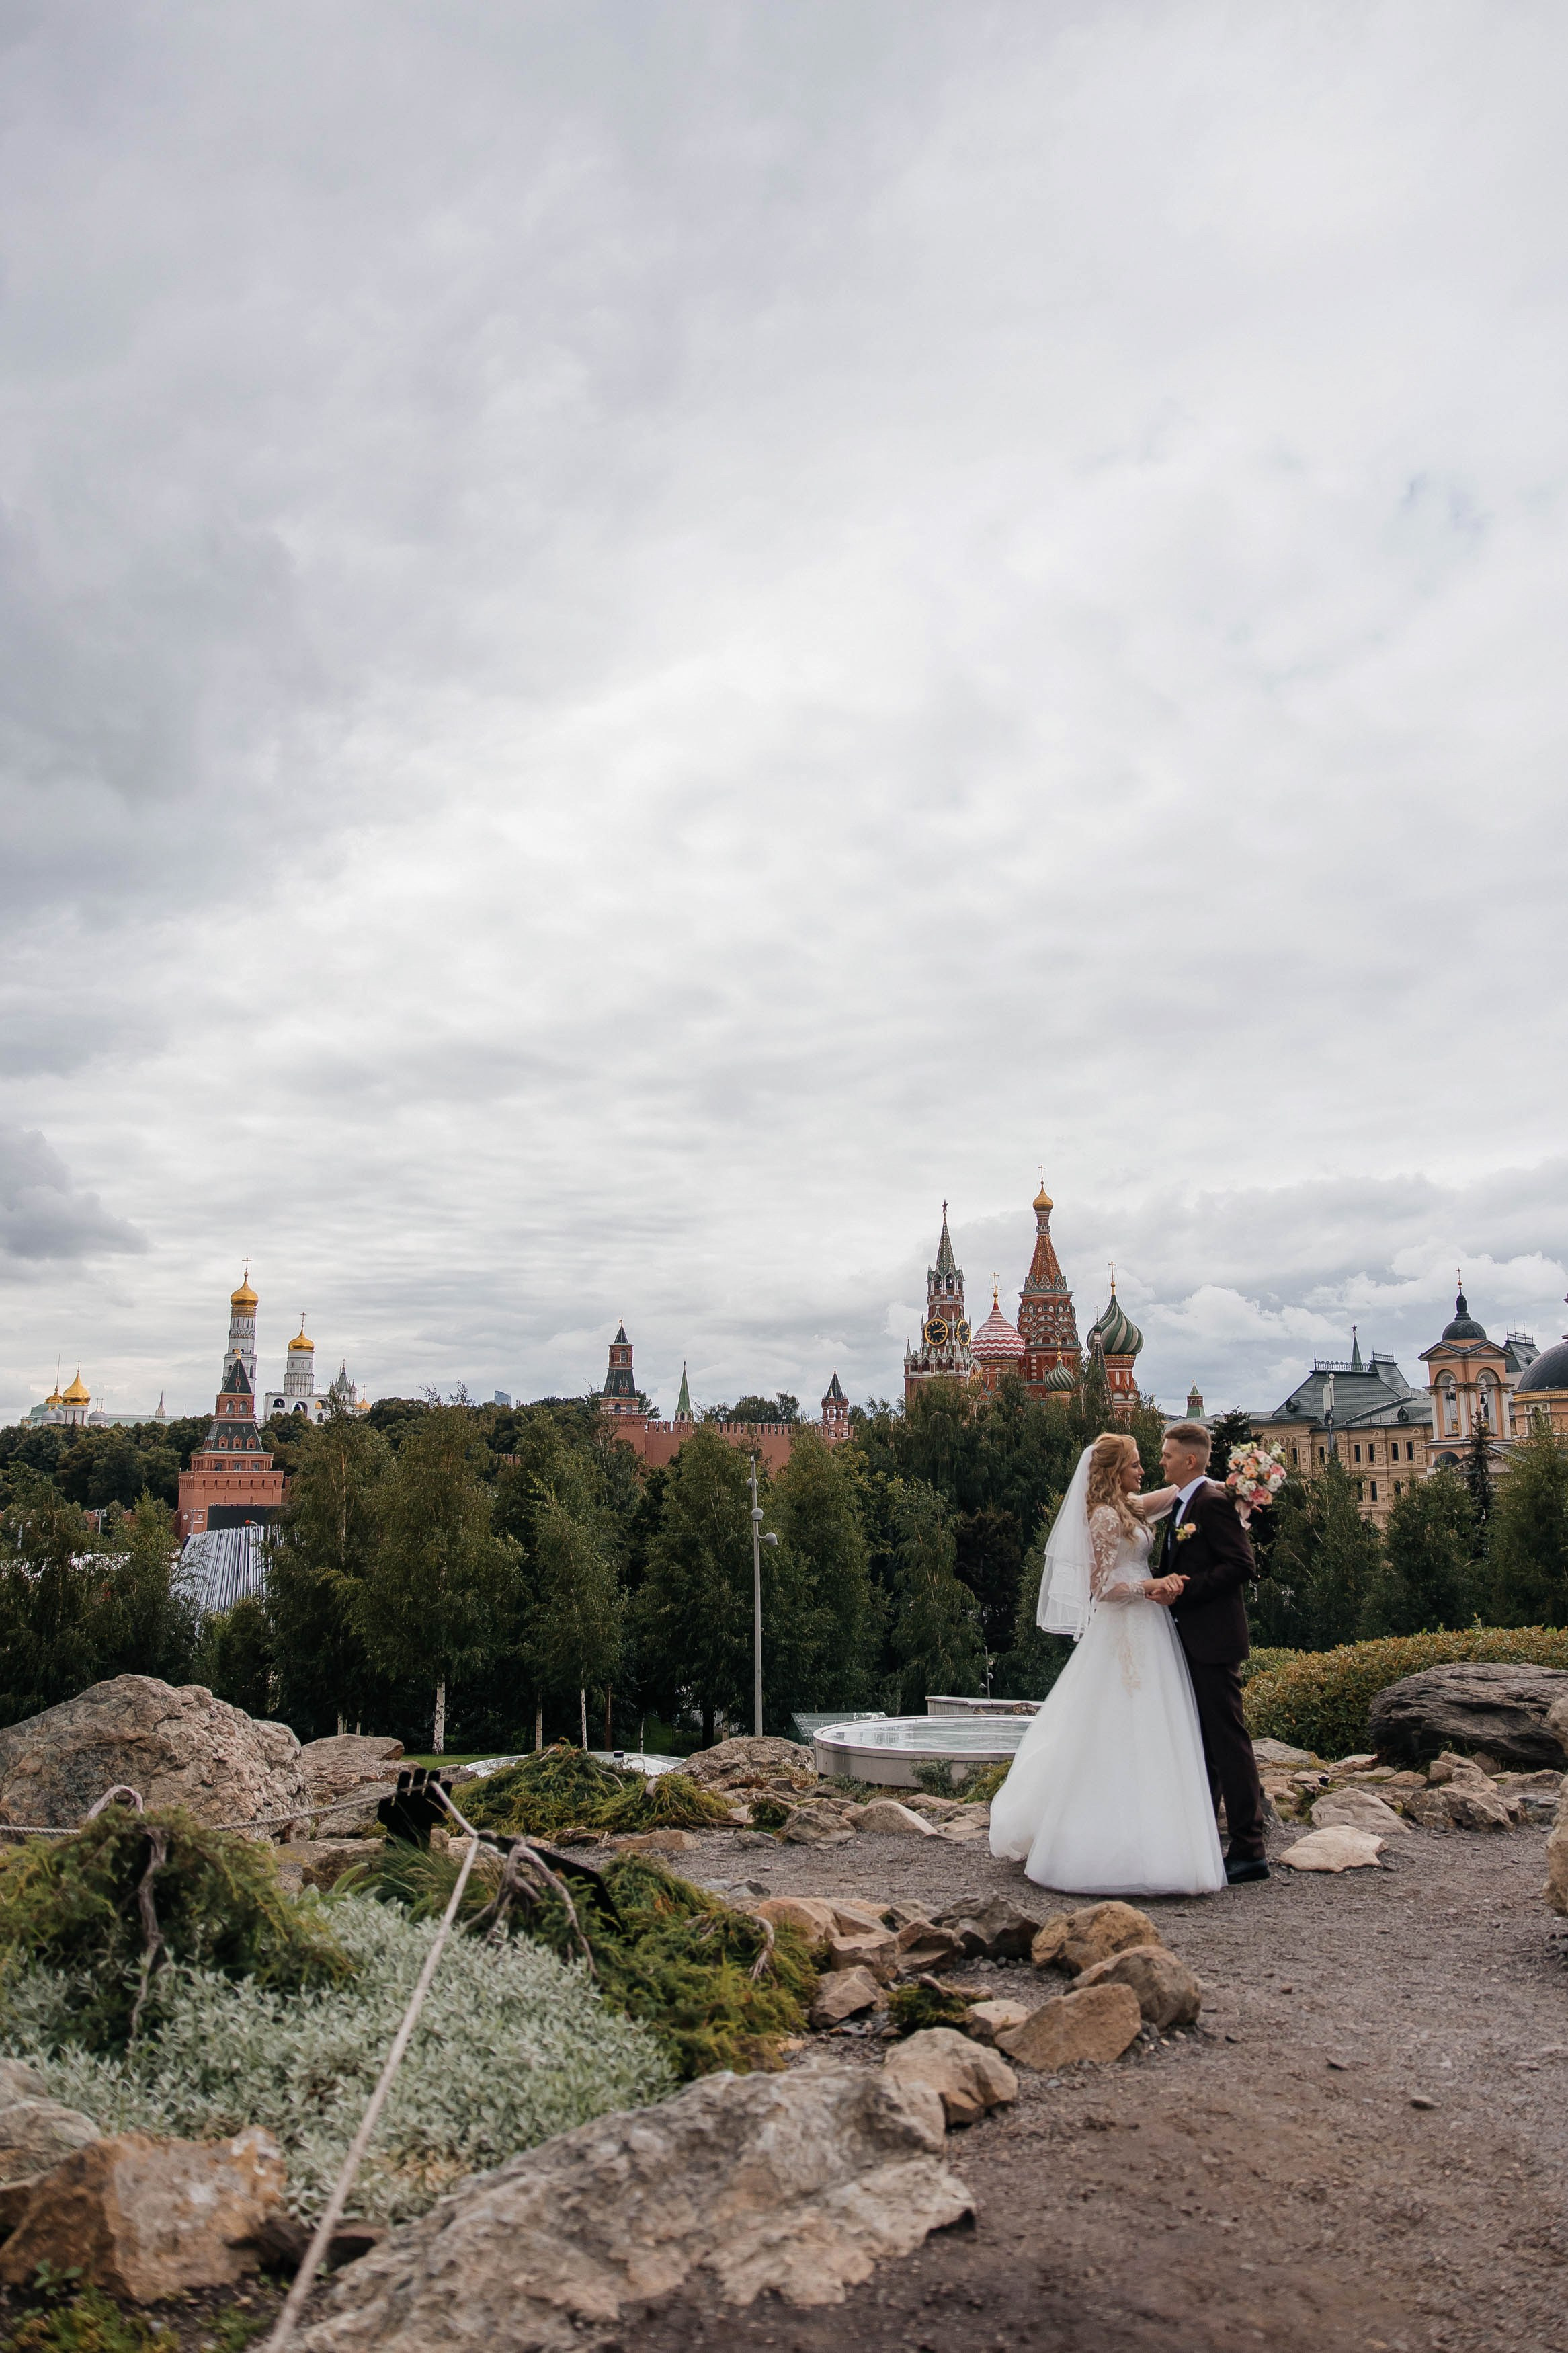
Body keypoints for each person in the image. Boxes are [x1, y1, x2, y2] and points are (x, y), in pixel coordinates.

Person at [988, 1429, 1227, 1897]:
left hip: (1150, 1629)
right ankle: (1098, 1844)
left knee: (1155, 1725)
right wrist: (1149, 1586)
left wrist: (1238, 1484)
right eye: (1135, 1464)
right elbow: (1099, 1589)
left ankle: (1157, 1839)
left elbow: (1179, 1491)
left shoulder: (1130, 1507)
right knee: (1112, 1724)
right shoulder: (1101, 1516)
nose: (1143, 1470)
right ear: (1115, 1471)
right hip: (1122, 1628)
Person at [1145, 1419, 1270, 1884]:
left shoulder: (1210, 1502)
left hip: (1213, 1640)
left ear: (1190, 1459)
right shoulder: (1184, 1504)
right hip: (1194, 1638)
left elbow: (1241, 1565)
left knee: (1228, 1743)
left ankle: (1249, 1848)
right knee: (1207, 1744)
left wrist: (1185, 1589)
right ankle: (1209, 1838)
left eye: (1167, 1455)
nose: (1162, 1462)